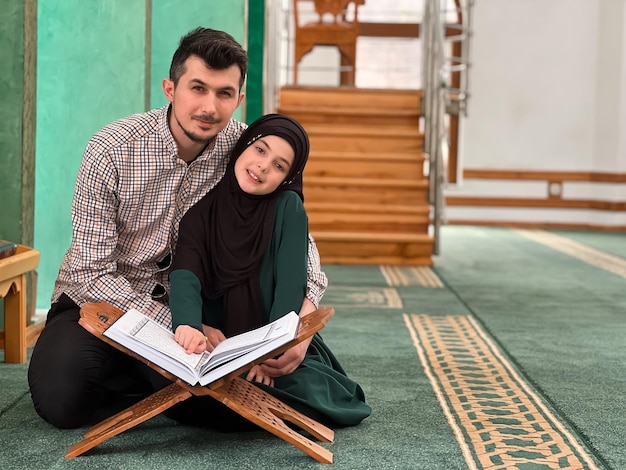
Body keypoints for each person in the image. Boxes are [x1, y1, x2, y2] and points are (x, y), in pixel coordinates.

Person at [27, 27, 327, 430]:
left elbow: (299, 245)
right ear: (171, 88)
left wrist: (300, 328)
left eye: (224, 94)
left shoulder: (248, 152)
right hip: (103, 306)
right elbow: (91, 272)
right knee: (64, 402)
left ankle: (145, 378)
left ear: (238, 100)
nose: (209, 106)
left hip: (203, 318)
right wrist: (175, 324)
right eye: (197, 88)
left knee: (223, 412)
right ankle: (134, 372)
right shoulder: (111, 150)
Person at [167, 113, 371, 428]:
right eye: (260, 150)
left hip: (272, 337)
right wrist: (188, 325)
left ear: (288, 178)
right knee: (199, 392)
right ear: (242, 148)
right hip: (219, 346)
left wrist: (268, 351)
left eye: (279, 166)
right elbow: (185, 274)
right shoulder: (200, 213)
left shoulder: (288, 208)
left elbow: (291, 285)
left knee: (303, 388)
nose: (263, 166)